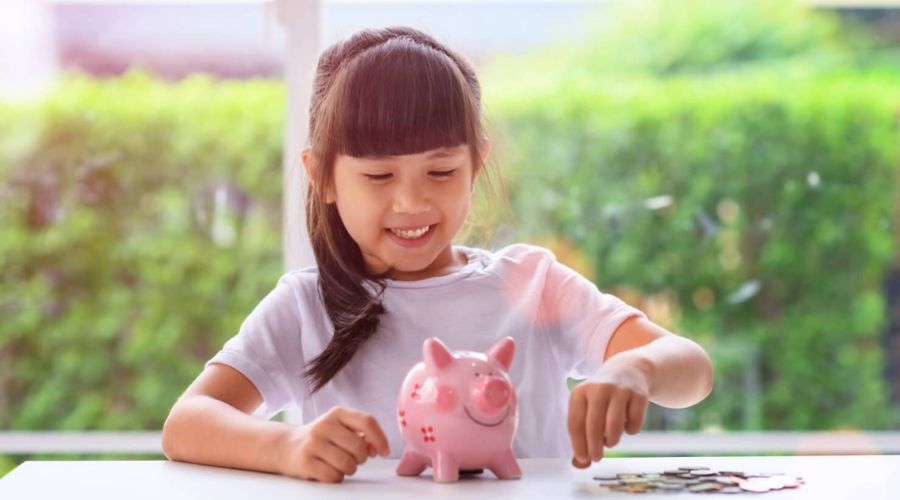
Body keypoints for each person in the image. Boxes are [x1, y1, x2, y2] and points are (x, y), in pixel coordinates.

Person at [161, 26, 714, 484]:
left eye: (441, 171)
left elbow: (692, 371)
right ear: (322, 177)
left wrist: (636, 369)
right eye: (378, 175)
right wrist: (287, 447)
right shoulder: (307, 304)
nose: (412, 200)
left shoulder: (531, 282)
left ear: (476, 165)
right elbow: (187, 424)